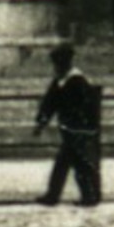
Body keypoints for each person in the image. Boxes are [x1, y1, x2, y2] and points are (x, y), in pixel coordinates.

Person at [34, 44, 100, 208]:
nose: (56, 67)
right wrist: (42, 121)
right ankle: (88, 195)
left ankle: (59, 195)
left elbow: (87, 108)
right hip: (70, 130)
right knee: (76, 163)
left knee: (71, 163)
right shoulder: (60, 81)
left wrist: (84, 127)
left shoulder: (78, 82)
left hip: (79, 130)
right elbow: (49, 103)